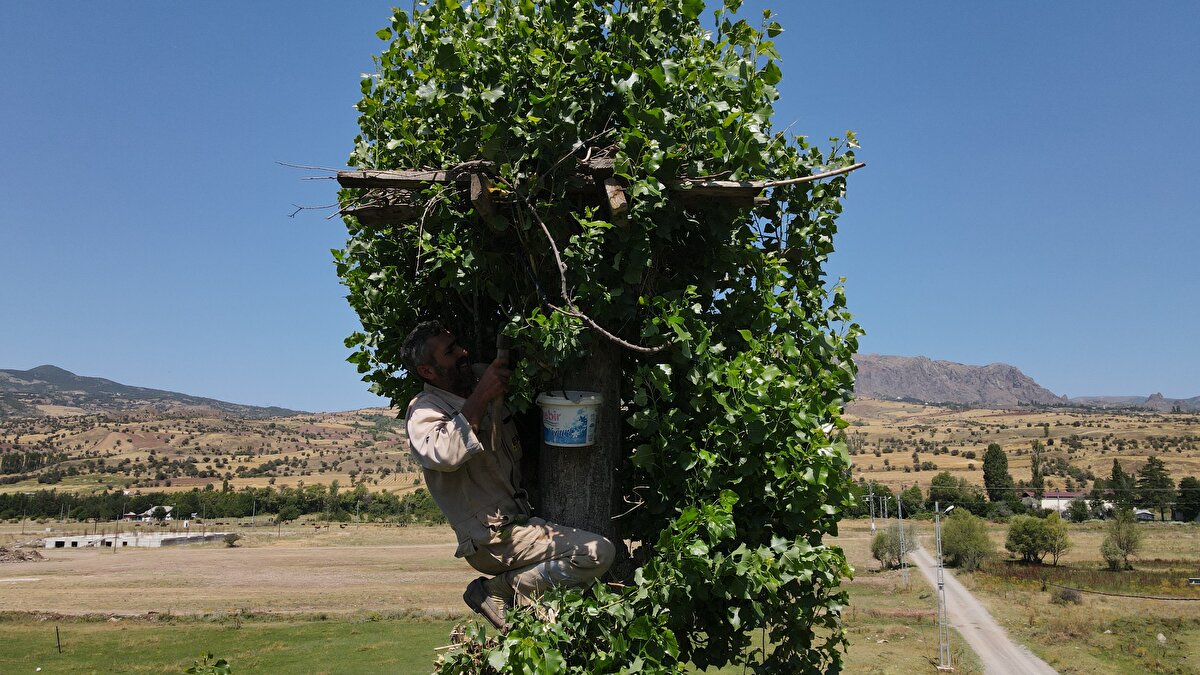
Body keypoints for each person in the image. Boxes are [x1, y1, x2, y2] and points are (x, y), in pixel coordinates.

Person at [402, 320, 615, 630]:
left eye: (458, 344)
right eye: (450, 352)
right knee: (597, 553)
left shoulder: (474, 376)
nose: (463, 352)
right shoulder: (424, 410)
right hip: (491, 539)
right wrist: (482, 395)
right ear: (427, 371)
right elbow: (444, 454)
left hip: (521, 521)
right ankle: (492, 591)